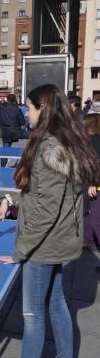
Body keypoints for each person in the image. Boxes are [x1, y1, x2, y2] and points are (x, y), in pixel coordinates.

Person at [0, 84, 98, 358]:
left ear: (44, 110)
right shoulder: (66, 145)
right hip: (62, 243)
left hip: (44, 245)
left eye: (30, 108)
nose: (26, 113)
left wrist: (21, 251)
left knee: (32, 315)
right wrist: (13, 201)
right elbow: (45, 197)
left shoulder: (48, 149)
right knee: (56, 303)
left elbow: (46, 211)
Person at [82, 105, 100, 252]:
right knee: (88, 212)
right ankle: (89, 241)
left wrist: (94, 182)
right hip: (90, 181)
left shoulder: (95, 140)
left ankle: (91, 241)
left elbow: (97, 162)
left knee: (95, 220)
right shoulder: (90, 139)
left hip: (95, 184)